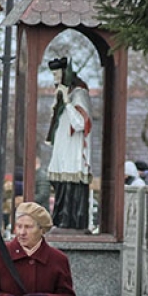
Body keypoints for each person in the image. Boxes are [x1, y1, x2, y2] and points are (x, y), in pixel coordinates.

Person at [44, 57, 93, 230]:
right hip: (62, 148)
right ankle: (59, 219)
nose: (55, 78)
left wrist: (67, 102)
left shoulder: (79, 93)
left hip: (74, 151)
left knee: (72, 187)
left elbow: (81, 123)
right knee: (61, 187)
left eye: (57, 73)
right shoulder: (62, 93)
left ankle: (72, 222)